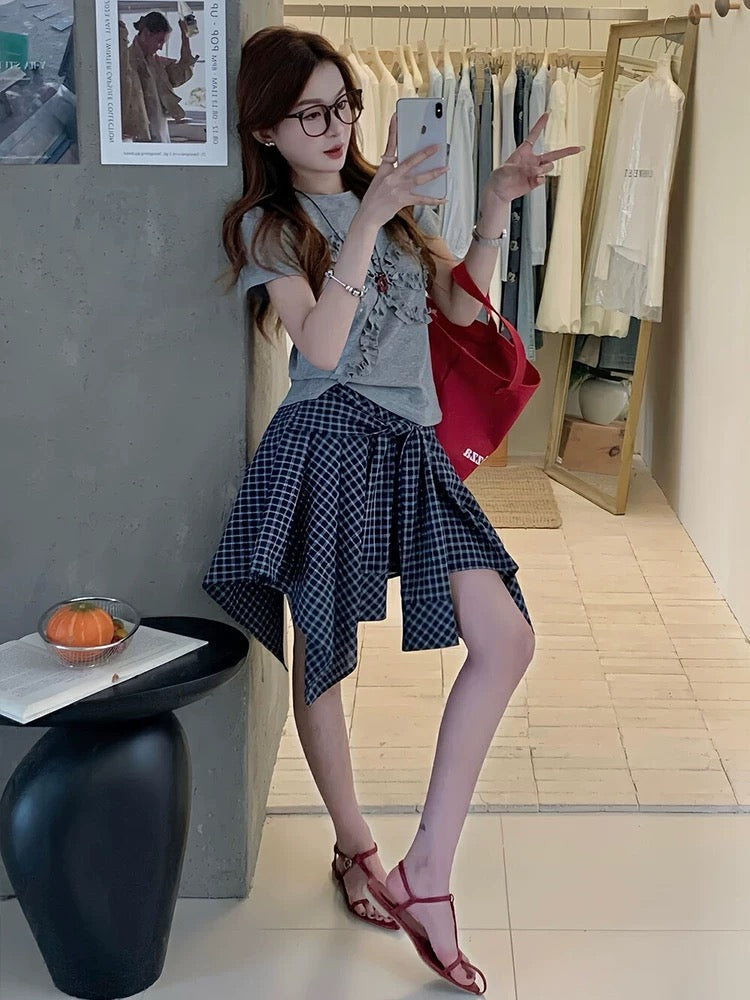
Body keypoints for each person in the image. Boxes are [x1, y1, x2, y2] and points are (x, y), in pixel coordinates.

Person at [202, 25, 579, 995]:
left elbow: (461, 312)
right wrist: (365, 219)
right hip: (327, 440)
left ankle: (426, 872)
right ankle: (359, 848)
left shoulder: (397, 200)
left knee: (505, 635)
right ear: (265, 127)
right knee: (326, 647)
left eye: (344, 105)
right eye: (310, 113)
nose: (336, 127)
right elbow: (321, 349)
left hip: (410, 443)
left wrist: (492, 207)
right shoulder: (269, 227)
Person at [121, 11, 197, 143]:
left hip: (160, 135)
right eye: (159, 41)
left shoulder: (158, 64)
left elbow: (180, 75)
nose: (161, 47)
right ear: (146, 34)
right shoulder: (124, 62)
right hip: (133, 139)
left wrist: (185, 38)